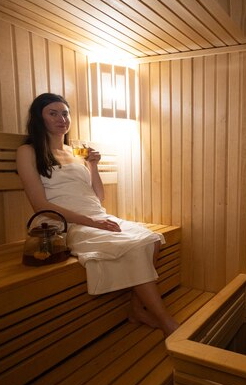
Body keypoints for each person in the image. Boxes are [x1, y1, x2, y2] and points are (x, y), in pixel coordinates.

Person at [16, 93, 179, 336]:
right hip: (63, 222)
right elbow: (40, 205)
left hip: (96, 216)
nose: (62, 118)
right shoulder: (28, 152)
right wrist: (92, 222)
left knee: (152, 239)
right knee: (134, 246)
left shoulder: (75, 152)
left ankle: (137, 310)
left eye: (65, 113)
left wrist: (92, 166)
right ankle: (167, 322)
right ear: (39, 119)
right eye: (53, 113)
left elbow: (98, 197)